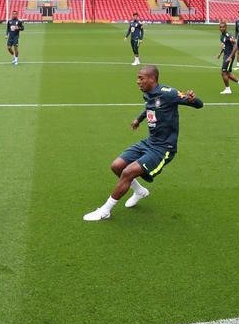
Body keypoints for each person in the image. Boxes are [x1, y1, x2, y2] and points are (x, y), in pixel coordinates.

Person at [84, 65, 204, 221]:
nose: (137, 81)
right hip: (150, 142)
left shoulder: (169, 93)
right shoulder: (148, 94)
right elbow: (150, 107)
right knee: (117, 166)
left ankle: (105, 210)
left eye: (141, 78)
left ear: (152, 79)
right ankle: (140, 192)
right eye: (137, 78)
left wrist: (193, 99)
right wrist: (138, 120)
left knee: (128, 172)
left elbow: (198, 104)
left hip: (164, 148)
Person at [216, 22, 239, 95]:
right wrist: (220, 54)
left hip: (229, 56)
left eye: (223, 27)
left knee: (223, 72)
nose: (221, 28)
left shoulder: (228, 35)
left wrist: (230, 57)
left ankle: (228, 89)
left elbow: (236, 46)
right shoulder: (222, 36)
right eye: (220, 27)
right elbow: (224, 46)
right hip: (226, 55)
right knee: (227, 73)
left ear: (226, 27)